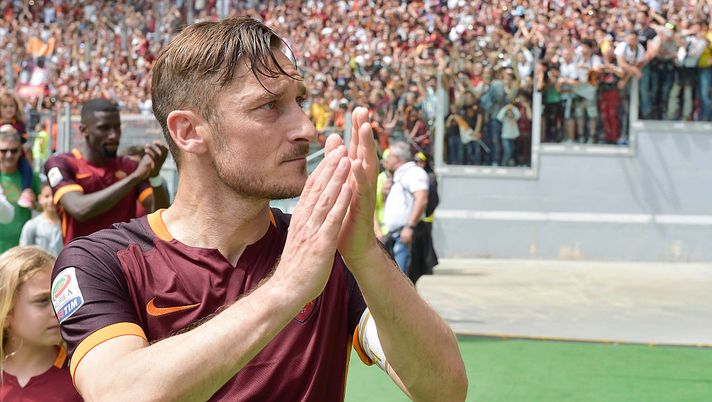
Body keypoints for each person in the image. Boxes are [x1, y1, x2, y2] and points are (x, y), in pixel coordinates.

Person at [50, 17, 467, 401]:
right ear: (189, 131)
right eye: (269, 106)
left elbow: (443, 389)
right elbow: (118, 392)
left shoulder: (335, 252)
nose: (306, 128)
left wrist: (363, 254)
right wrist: (287, 288)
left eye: (299, 100)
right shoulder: (98, 261)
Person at [44, 99, 170, 244]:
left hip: (122, 261)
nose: (113, 135)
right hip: (82, 261)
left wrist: (154, 176)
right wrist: (134, 178)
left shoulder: (130, 166)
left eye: (117, 127)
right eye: (104, 128)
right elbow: (79, 209)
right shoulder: (61, 163)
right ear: (84, 130)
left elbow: (159, 214)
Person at [0, 246, 82, 402]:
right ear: (6, 312)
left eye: (58, 297)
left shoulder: (81, 376)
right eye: (43, 300)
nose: (57, 309)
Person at [382, 141, 430, 274]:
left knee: (401, 280)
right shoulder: (400, 174)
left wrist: (410, 227)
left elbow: (421, 199)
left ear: (397, 158)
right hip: (396, 234)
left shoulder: (414, 172)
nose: (387, 160)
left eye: (389, 156)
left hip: (405, 235)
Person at [0, 126, 42, 253]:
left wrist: (34, 203)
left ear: (20, 151)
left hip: (21, 250)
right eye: (3, 151)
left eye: (14, 150)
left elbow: (45, 208)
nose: (9, 155)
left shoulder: (32, 178)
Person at [0, 91, 36, 209]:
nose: (9, 109)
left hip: (19, 157)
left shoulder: (19, 125)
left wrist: (15, 134)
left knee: (27, 169)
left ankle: (25, 191)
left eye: (11, 106)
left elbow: (24, 138)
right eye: (5, 106)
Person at [20, 183, 63, 256]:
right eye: (47, 196)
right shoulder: (32, 225)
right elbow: (23, 253)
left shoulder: (66, 225)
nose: (51, 200)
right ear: (40, 199)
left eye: (55, 195)